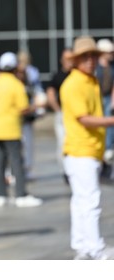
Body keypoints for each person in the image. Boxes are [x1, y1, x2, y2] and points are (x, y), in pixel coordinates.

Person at [60, 35, 114, 260]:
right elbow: (84, 118)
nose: (90, 60)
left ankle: (82, 246)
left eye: (93, 56)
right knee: (90, 202)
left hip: (87, 150)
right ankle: (96, 248)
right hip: (81, 151)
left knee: (81, 203)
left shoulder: (90, 80)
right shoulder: (73, 83)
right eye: (85, 57)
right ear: (76, 60)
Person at [0, 52, 43, 208]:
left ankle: (0, 195)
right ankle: (20, 194)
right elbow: (23, 108)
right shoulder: (16, 85)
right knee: (17, 162)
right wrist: (36, 106)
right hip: (11, 129)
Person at [15, 50, 45, 180]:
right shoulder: (12, 81)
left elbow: (37, 92)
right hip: (14, 119)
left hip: (26, 118)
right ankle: (14, 172)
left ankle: (26, 170)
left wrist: (37, 107)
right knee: (16, 147)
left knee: (28, 145)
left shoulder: (32, 74)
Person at [46, 48, 74, 183]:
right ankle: (66, 171)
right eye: (67, 59)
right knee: (63, 144)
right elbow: (50, 95)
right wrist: (58, 110)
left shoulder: (77, 75)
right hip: (63, 115)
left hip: (78, 115)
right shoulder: (58, 76)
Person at [95, 38, 114, 180]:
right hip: (98, 99)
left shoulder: (111, 67)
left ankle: (107, 150)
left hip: (107, 98)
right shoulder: (96, 67)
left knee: (109, 126)